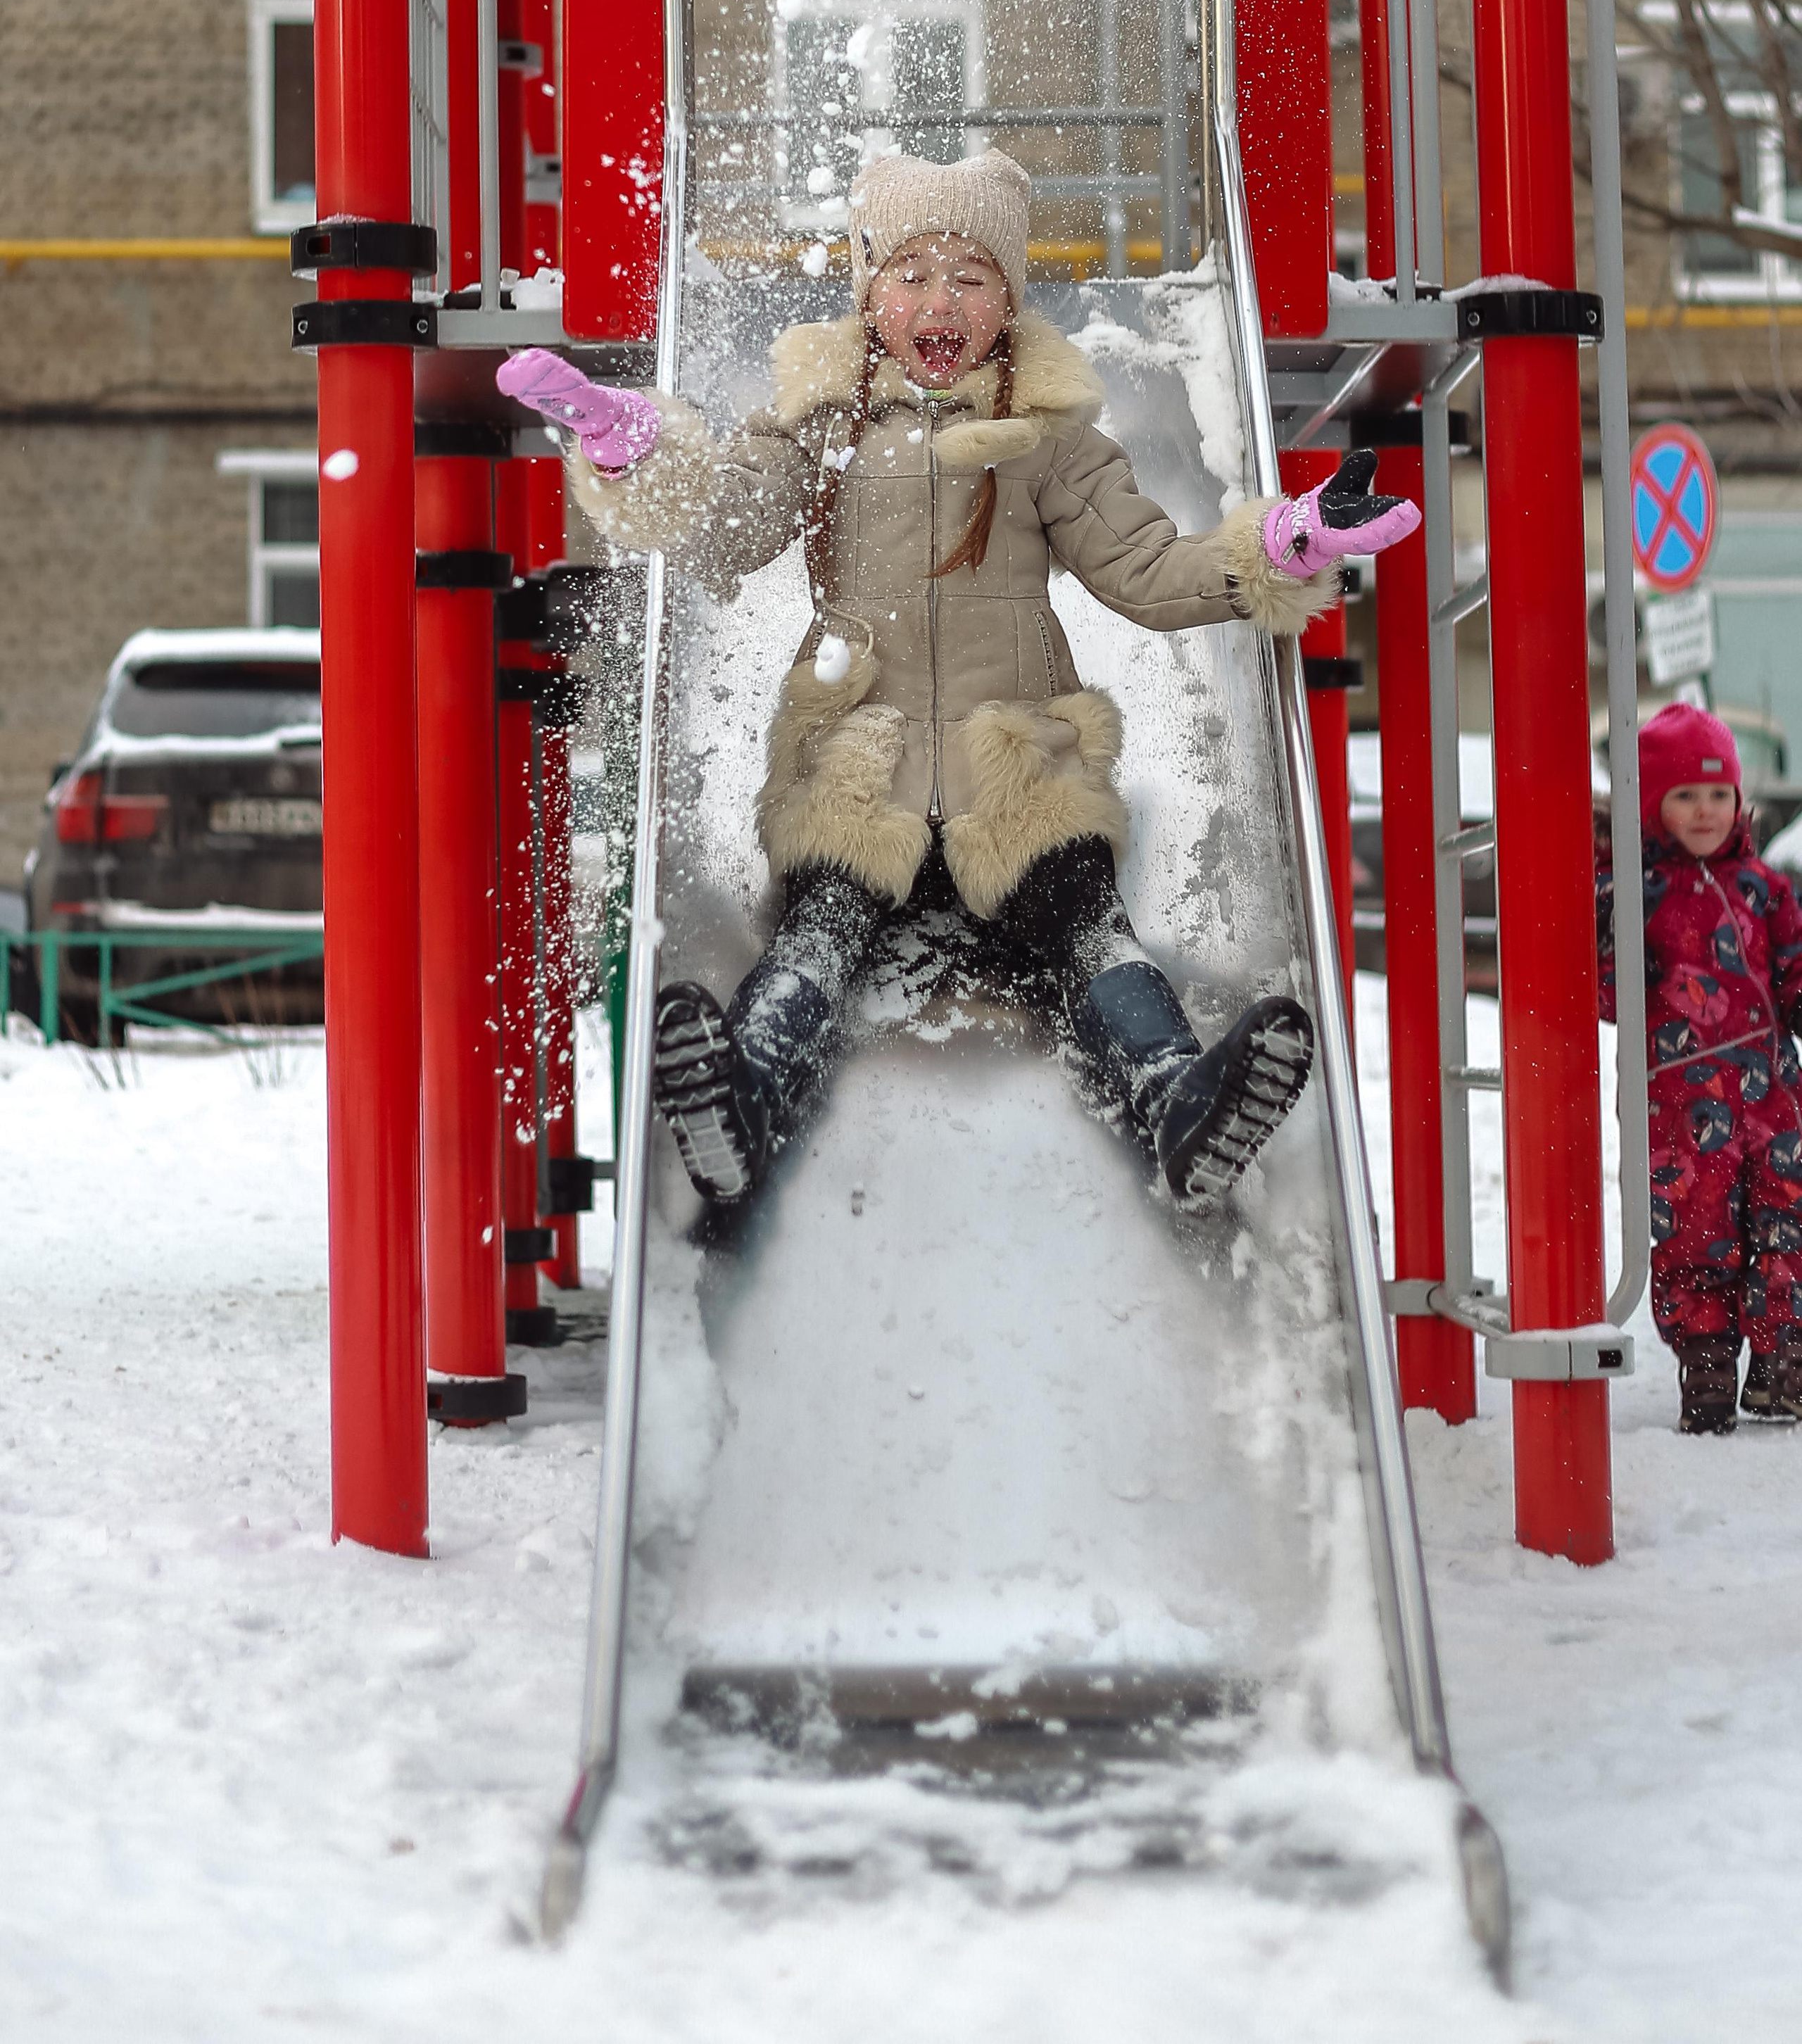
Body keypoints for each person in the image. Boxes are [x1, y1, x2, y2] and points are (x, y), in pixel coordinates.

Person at [500, 149, 1418, 1211]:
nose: (942, 302)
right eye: (913, 274)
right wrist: (639, 459)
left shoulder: (1047, 443)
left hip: (1013, 773)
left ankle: (1176, 1102)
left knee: (1085, 922)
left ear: (1010, 299)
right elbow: (732, 519)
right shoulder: (823, 424)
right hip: (861, 769)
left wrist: (1288, 542)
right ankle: (743, 1103)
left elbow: (1148, 571)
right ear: (868, 290)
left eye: (974, 278)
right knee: (820, 926)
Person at [1601, 701, 1802, 1432]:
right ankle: (1707, 1358)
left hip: (1774, 1099)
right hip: (1681, 1106)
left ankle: (1783, 1357)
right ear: (1653, 806)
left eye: (1719, 795)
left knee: (1787, 1219)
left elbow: (1792, 963)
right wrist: (1612, 937)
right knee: (1694, 1231)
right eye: (1684, 796)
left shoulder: (1765, 889)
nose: (1706, 810)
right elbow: (1605, 992)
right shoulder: (1638, 894)